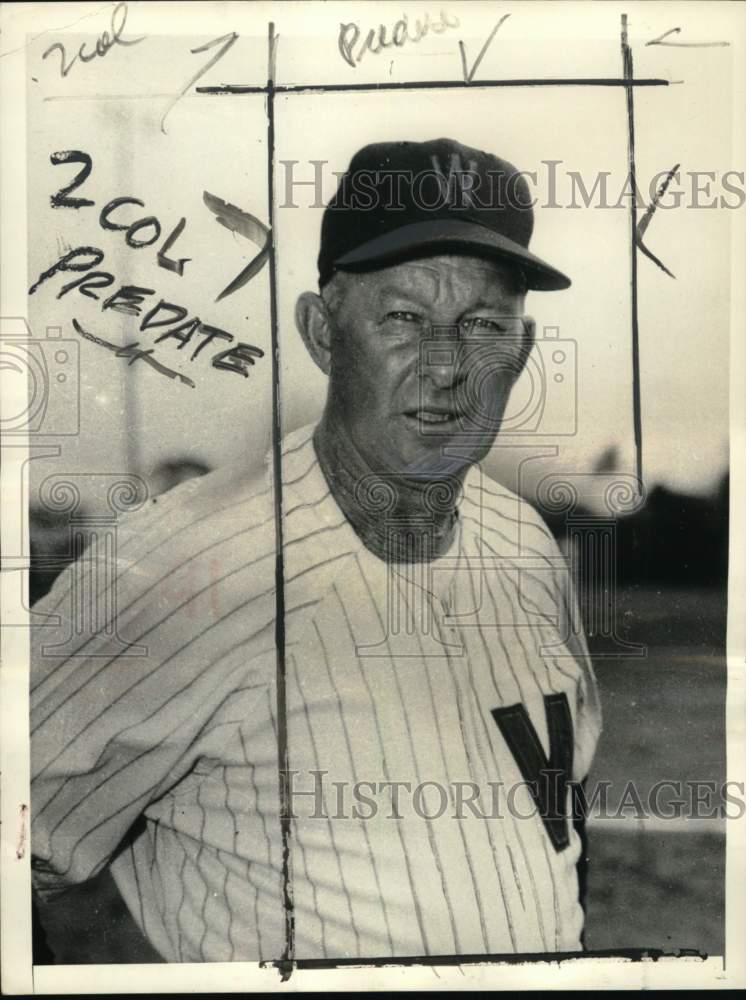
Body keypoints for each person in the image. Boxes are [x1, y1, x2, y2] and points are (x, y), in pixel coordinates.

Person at [30, 138, 601, 962]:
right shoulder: (175, 566)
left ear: (524, 348)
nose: (446, 365)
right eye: (404, 318)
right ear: (322, 332)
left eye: (482, 324)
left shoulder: (525, 543)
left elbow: (563, 814)